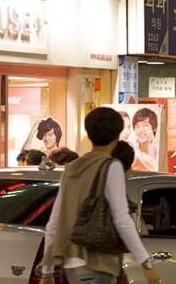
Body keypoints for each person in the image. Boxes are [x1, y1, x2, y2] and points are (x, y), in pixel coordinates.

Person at [42, 109, 159, 284]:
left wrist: (47, 271)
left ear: (89, 134)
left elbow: (54, 222)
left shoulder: (72, 168)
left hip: (71, 266)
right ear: (117, 135)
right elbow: (121, 218)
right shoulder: (111, 166)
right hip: (98, 264)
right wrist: (145, 262)